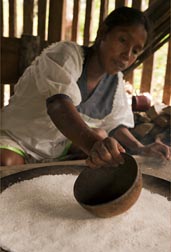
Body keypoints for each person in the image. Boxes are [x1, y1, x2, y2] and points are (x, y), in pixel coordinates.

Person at [0, 7, 170, 168]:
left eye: (135, 51)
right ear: (103, 32)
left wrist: (140, 148)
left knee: (102, 137)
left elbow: (115, 125)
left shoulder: (115, 81)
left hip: (56, 149)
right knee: (6, 163)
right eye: (123, 40)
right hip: (19, 139)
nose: (127, 55)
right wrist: (94, 145)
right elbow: (58, 105)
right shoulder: (66, 55)